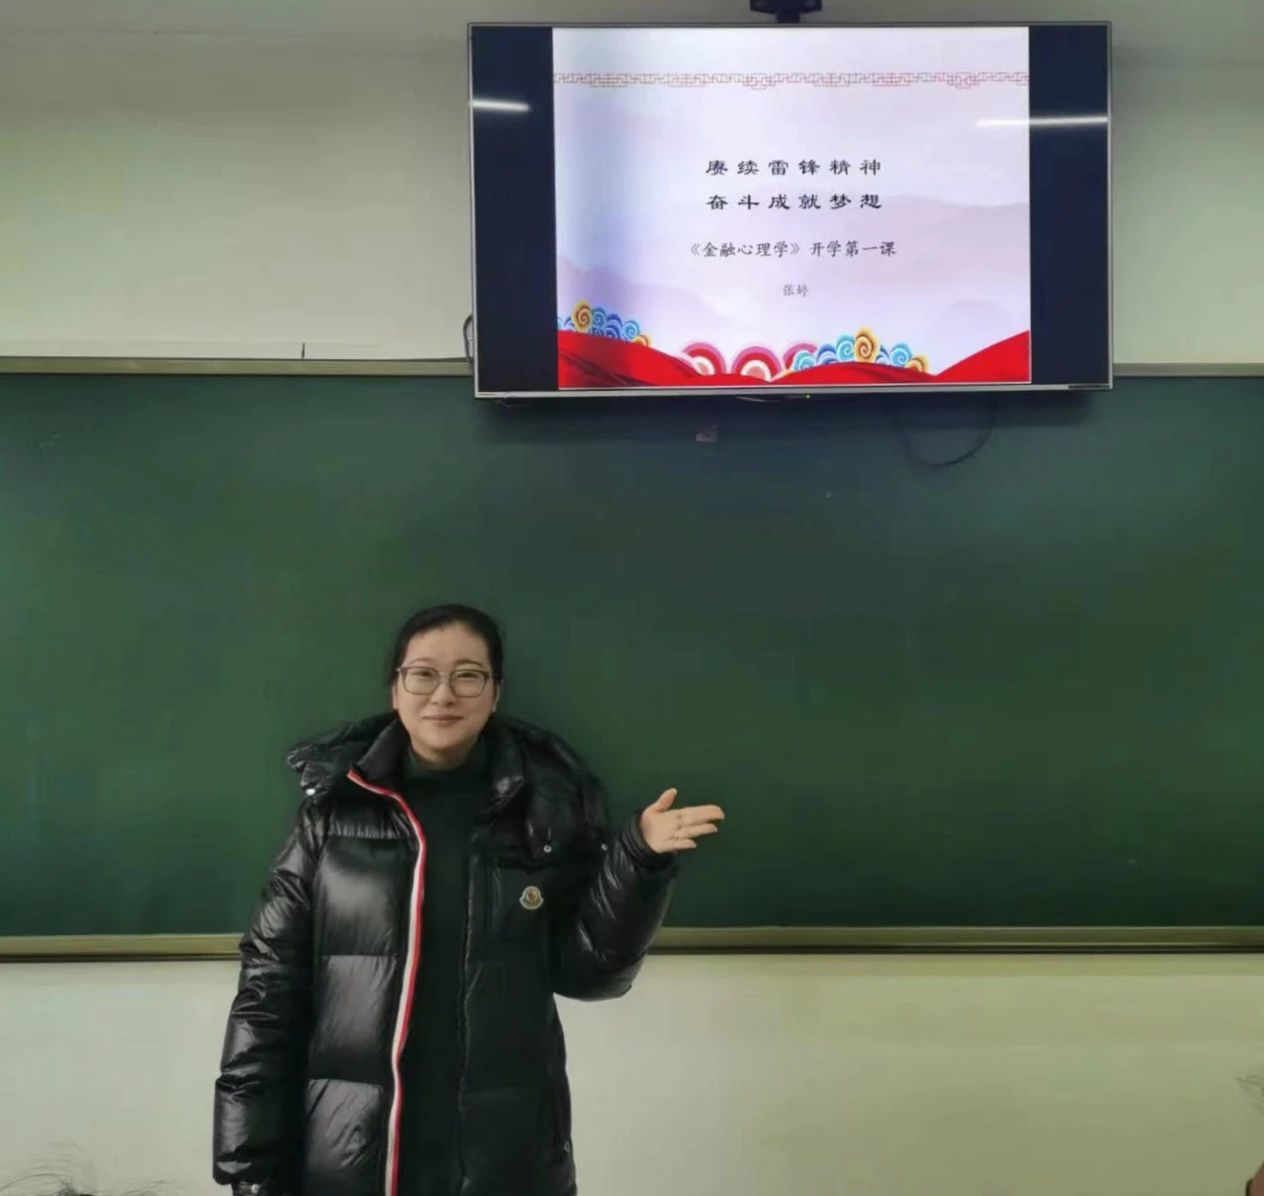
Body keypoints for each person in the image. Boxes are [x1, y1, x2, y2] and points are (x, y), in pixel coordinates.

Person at [212, 603, 724, 1196]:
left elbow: (591, 974)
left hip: (506, 1158)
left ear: (495, 692)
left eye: (468, 676)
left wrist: (637, 859)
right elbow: (267, 994)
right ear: (396, 689)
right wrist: (248, 1167)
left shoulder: (547, 813)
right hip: (347, 1158)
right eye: (423, 675)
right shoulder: (329, 818)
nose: (443, 695)